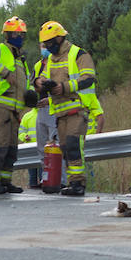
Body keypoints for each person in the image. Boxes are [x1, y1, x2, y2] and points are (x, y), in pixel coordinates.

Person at [33, 21, 102, 196]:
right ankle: (73, 183)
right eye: (45, 44)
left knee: (73, 145)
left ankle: (78, 183)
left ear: (60, 38)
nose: (48, 47)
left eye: (50, 43)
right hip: (60, 113)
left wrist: (64, 87)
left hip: (77, 109)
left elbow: (88, 78)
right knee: (65, 148)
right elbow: (42, 77)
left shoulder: (78, 54)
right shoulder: (50, 59)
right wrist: (39, 83)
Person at [0, 16, 37, 194]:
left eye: (21, 34)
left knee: (11, 149)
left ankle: (5, 180)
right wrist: (4, 72)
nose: (19, 37)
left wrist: (30, 95)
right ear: (7, 35)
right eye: (15, 34)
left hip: (14, 112)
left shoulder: (21, 60)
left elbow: (23, 86)